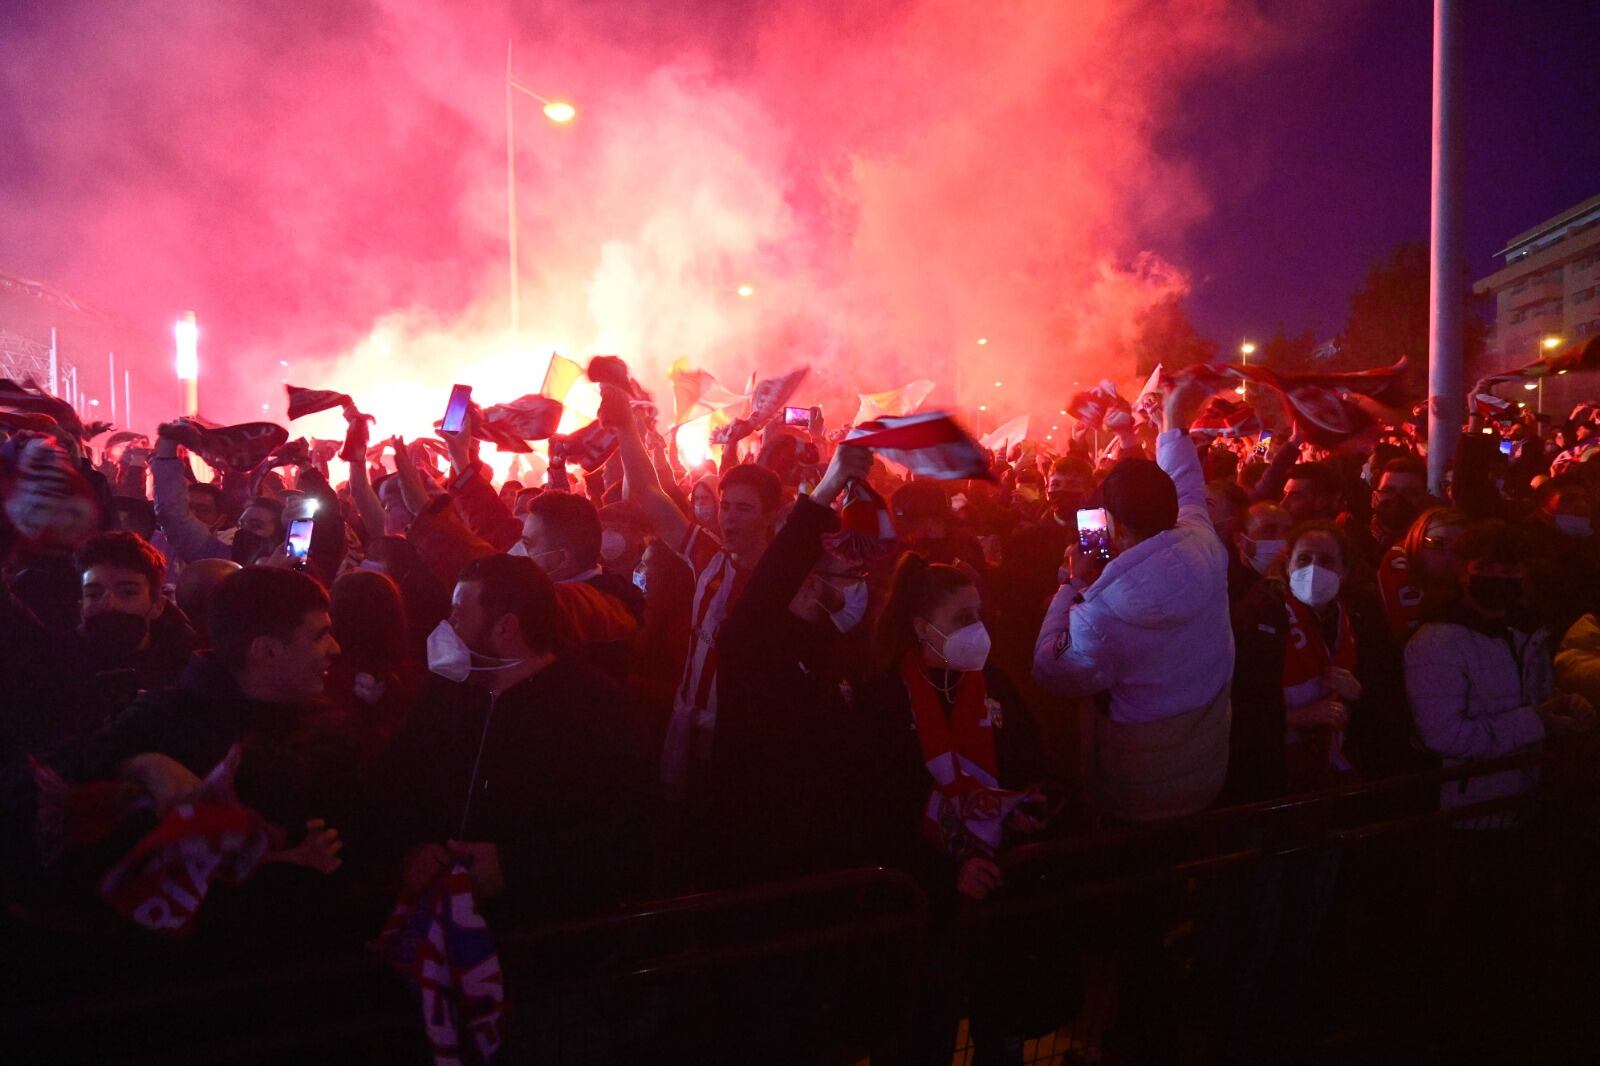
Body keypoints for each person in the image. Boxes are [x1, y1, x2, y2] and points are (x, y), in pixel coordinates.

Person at [858, 553, 1057, 1066]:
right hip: (923, 907)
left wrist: (1030, 808)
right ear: (923, 628)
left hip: (996, 894)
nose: (978, 629)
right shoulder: (882, 697)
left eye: (979, 615)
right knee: (924, 1036)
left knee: (999, 1025)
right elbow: (879, 809)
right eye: (962, 620)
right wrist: (946, 869)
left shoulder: (996, 683)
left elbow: (1033, 762)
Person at [380, 554, 650, 926]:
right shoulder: (446, 690)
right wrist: (411, 850)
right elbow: (396, 781)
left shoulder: (594, 707)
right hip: (442, 926)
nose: (449, 625)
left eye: (459, 613)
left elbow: (627, 831)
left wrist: (514, 866)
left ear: (506, 628)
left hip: (540, 935)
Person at [1033, 378, 1233, 823]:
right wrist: (1173, 423)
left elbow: (1051, 668)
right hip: (1209, 759)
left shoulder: (1100, 610)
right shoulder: (1204, 542)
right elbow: (1186, 485)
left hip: (1139, 786)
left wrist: (1071, 585)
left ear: (1115, 529)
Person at [600, 382, 781, 794]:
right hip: (688, 727)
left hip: (745, 742)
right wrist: (627, 429)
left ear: (770, 515)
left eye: (745, 509)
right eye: (727, 506)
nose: (730, 518)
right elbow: (648, 494)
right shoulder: (709, 558)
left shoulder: (785, 584)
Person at [707, 444, 875, 886]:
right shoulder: (749, 639)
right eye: (835, 576)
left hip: (826, 849)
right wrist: (825, 491)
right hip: (761, 853)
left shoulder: (833, 646)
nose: (846, 590)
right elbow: (774, 580)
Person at [517, 490, 642, 680]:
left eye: (528, 544)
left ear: (562, 558)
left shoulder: (574, 610)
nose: (519, 552)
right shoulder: (611, 587)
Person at [1374, 506, 1467, 641]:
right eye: (1437, 543)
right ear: (1416, 540)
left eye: (1460, 547)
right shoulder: (1394, 572)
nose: (1448, 554)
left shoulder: (1476, 590)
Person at [1343, 456, 1429, 571]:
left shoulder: (1429, 552)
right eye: (1388, 490)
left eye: (1409, 492)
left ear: (1424, 500)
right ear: (1374, 498)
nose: (1397, 498)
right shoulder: (1349, 544)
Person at [1231, 501, 1293, 602]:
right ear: (1239, 540)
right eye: (1268, 531)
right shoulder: (1225, 587)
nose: (1282, 539)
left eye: (1287, 531)